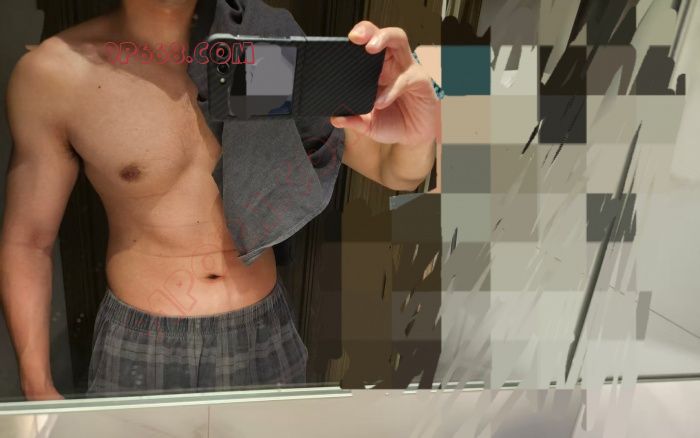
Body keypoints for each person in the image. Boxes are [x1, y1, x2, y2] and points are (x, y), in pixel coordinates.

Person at [0, 0, 440, 400]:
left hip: (261, 331)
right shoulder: (57, 76)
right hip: (141, 342)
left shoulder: (261, 52)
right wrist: (36, 385)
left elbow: (396, 170)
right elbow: (28, 241)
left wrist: (416, 124)